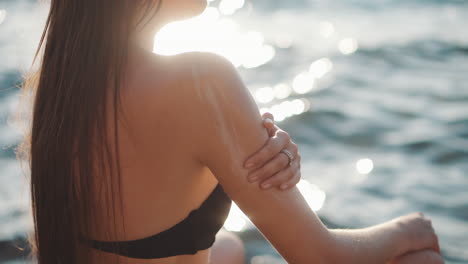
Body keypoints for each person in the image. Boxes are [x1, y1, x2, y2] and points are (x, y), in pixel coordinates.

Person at [19, 0, 444, 263]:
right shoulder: (200, 81)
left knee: (230, 250)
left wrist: (239, 147)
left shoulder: (60, 87)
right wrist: (411, 228)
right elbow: (320, 256)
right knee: (418, 257)